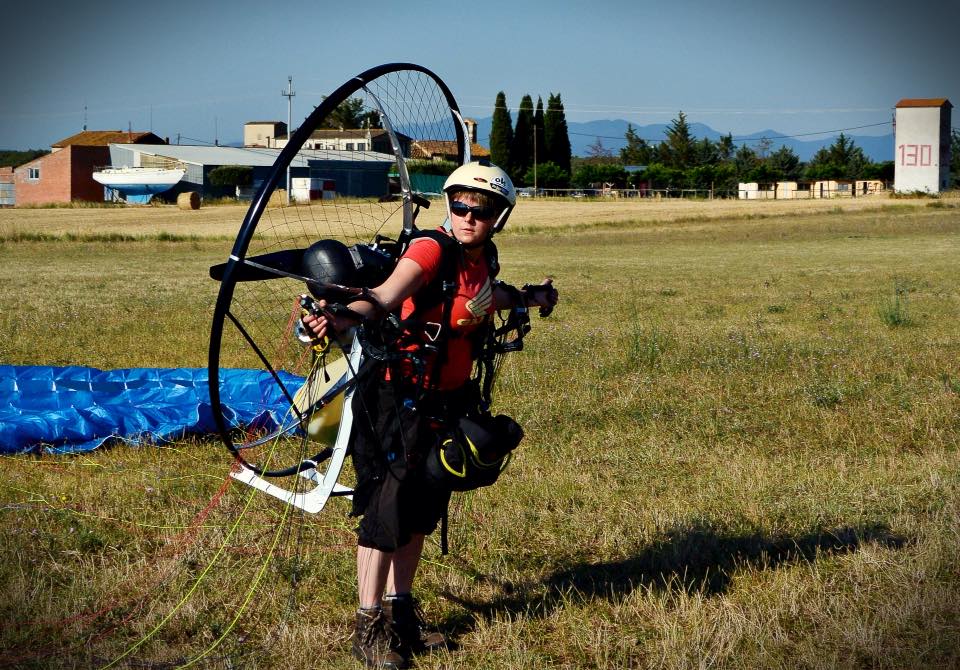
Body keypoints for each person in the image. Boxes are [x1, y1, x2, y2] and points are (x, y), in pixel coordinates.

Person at [301, 161, 558, 669]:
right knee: (386, 510)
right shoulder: (430, 249)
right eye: (459, 204)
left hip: (449, 400)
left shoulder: (483, 258)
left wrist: (530, 297)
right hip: (399, 399)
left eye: (480, 210)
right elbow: (382, 298)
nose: (468, 216)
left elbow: (485, 298)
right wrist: (335, 318)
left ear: (498, 217)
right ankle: (368, 626)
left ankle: (402, 615)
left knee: (422, 507)